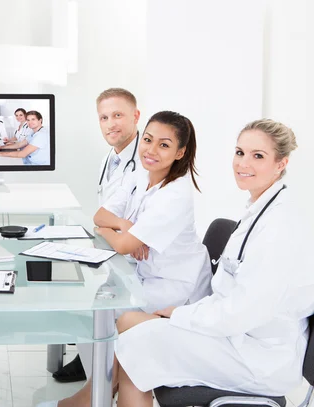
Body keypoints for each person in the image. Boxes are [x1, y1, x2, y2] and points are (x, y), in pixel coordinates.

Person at [106, 119, 314, 407]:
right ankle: (88, 398)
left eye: (258, 156)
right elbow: (229, 295)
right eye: (240, 152)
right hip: (237, 335)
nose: (243, 163)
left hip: (260, 357)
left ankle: (85, 399)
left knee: (139, 345)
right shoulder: (259, 209)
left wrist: (180, 315)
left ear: (281, 164)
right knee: (132, 330)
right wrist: (182, 314)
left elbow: (242, 311)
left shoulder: (280, 227)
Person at [39, 111, 213, 407]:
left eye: (164, 145)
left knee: (108, 315)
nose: (151, 150)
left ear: (180, 152)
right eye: (148, 140)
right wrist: (125, 227)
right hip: (145, 275)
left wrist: (118, 232)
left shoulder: (176, 194)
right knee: (95, 309)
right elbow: (99, 217)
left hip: (177, 287)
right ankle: (98, 392)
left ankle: (96, 394)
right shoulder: (139, 176)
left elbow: (120, 245)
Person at [53, 88, 145, 384]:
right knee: (84, 293)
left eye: (118, 115)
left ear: (136, 116)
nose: (110, 124)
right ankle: (95, 367)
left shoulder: (146, 160)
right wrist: (109, 226)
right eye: (104, 117)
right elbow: (103, 217)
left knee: (93, 303)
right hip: (117, 250)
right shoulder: (114, 157)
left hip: (140, 261)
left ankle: (102, 380)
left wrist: (111, 226)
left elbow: (132, 226)